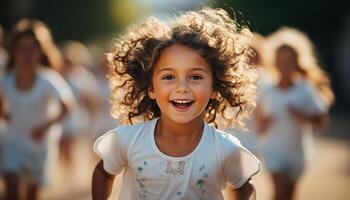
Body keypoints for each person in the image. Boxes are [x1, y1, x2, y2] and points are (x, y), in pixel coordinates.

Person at [92, 7, 260, 200]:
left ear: (215, 87)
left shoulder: (225, 148)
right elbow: (103, 172)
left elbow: (244, 186)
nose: (182, 87)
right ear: (151, 88)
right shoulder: (127, 140)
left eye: (195, 77)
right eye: (169, 77)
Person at [255, 27, 333, 200]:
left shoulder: (304, 89)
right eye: (280, 60)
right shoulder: (266, 90)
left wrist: (302, 116)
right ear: (273, 62)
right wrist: (265, 122)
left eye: (289, 61)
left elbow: (322, 121)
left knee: (289, 196)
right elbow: (258, 126)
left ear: (297, 62)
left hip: (297, 154)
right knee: (280, 192)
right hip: (273, 151)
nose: (284, 65)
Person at [0, 19, 74, 200]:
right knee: (11, 187)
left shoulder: (48, 80)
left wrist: (46, 126)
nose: (26, 55)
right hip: (13, 141)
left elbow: (68, 107)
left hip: (40, 146)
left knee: (32, 195)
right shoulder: (6, 80)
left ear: (40, 52)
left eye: (32, 49)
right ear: (14, 51)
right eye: (22, 49)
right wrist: (4, 114)